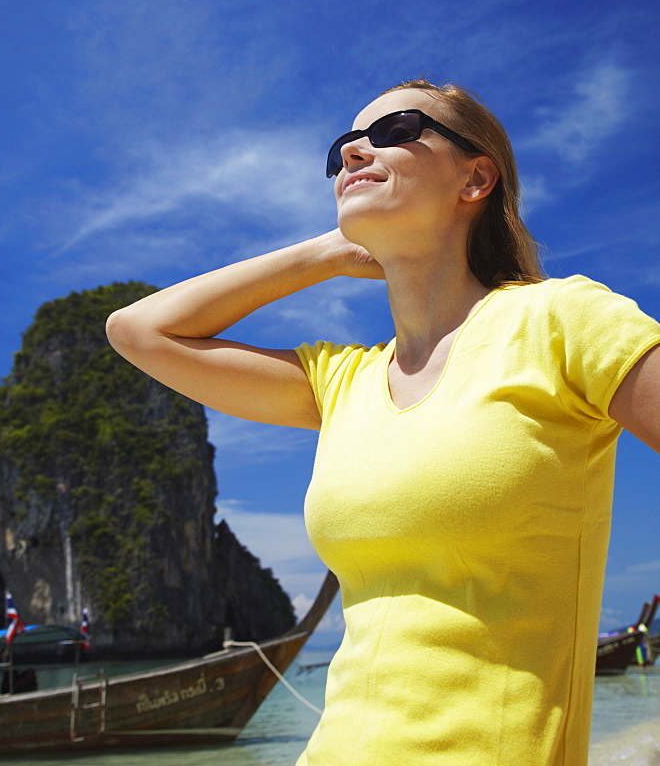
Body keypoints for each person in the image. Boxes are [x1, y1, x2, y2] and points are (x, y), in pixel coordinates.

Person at [106, 79, 660, 766]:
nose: (355, 154)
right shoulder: (342, 381)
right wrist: (329, 253)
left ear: (476, 177)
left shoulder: (560, 322)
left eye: (395, 129)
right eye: (342, 148)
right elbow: (137, 332)